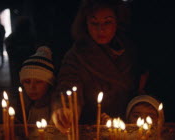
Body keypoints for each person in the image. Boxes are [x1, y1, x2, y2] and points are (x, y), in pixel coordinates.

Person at [51, 0, 142, 133]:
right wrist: (65, 109)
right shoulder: (77, 55)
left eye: (107, 22)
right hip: (93, 130)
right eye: (94, 23)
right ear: (85, 24)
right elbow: (68, 84)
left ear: (117, 22)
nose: (101, 29)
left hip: (126, 128)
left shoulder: (130, 50)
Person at [17, 46, 55, 123]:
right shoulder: (19, 105)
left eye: (38, 82)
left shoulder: (56, 106)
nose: (32, 87)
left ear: (49, 83)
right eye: (27, 82)